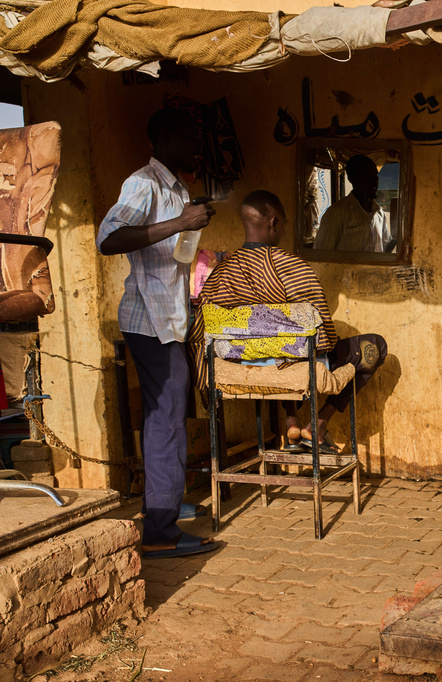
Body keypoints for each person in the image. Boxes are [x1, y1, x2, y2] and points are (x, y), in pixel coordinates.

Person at [96, 107, 219, 560]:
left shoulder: (177, 187)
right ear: (164, 139)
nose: (196, 146)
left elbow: (172, 252)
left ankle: (161, 505)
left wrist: (192, 226)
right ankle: (160, 531)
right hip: (148, 318)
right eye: (189, 136)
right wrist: (179, 224)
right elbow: (109, 238)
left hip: (168, 318)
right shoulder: (143, 184)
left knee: (163, 415)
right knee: (166, 417)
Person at [187, 190, 387, 453]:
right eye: (284, 222)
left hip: (237, 372)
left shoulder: (220, 274)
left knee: (278, 352)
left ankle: (291, 421)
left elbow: (198, 336)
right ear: (274, 223)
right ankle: (318, 423)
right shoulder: (294, 270)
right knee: (374, 346)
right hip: (294, 373)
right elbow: (323, 342)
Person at [313, 155, 393, 253]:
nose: (374, 181)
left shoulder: (379, 212)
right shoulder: (337, 213)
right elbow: (321, 254)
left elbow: (385, 248)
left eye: (375, 176)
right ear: (352, 179)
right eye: (367, 177)